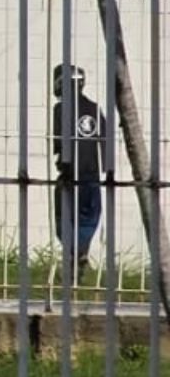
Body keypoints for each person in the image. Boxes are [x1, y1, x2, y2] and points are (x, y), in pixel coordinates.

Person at [51, 64, 112, 281]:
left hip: (69, 172)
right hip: (91, 173)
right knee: (89, 215)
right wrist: (106, 168)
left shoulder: (60, 109)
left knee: (63, 215)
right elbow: (106, 140)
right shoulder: (95, 109)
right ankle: (80, 252)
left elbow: (58, 141)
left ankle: (72, 254)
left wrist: (62, 160)